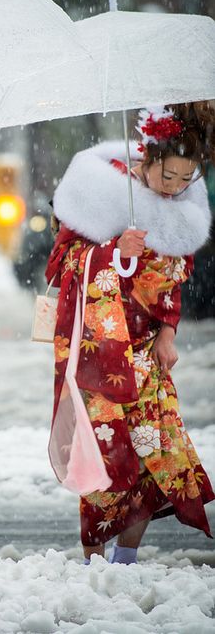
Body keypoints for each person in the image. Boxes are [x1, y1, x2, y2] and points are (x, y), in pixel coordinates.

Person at [45, 101, 215, 565]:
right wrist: (112, 251)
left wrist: (168, 332)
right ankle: (94, 558)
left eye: (186, 180)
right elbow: (61, 266)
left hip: (148, 353)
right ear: (145, 161)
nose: (176, 188)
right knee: (105, 451)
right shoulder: (99, 195)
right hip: (101, 350)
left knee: (152, 449)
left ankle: (127, 558)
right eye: (167, 177)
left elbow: (174, 281)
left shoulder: (176, 211)